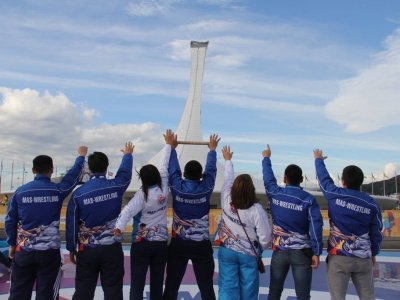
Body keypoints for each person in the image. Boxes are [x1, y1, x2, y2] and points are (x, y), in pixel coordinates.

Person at [5, 146, 87, 300]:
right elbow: (72, 177)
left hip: (24, 251)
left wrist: (11, 244)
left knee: (18, 294)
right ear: (52, 169)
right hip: (49, 254)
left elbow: (10, 220)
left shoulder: (20, 192)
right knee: (47, 294)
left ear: (33, 170)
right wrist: (81, 157)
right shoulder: (57, 190)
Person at [66, 142, 134, 300]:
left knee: (83, 288)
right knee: (113, 289)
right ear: (107, 166)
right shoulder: (116, 186)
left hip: (87, 250)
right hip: (111, 249)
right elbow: (125, 174)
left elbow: (71, 222)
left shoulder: (79, 193)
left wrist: (71, 247)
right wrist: (128, 155)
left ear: (89, 168)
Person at [314, 149, 383, 300]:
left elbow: (324, 180)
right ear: (361, 182)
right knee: (368, 297)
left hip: (339, 257)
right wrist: (373, 253)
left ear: (343, 181)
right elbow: (376, 232)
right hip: (363, 258)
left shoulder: (334, 194)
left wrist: (318, 160)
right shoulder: (372, 204)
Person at [113, 130, 174, 300]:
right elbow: (164, 164)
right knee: (157, 283)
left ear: (142, 179)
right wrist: (168, 144)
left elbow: (126, 212)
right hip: (160, 244)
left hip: (141, 244)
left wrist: (118, 228)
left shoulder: (142, 195)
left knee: (137, 285)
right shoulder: (164, 186)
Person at [163, 134, 220, 300]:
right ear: (201, 176)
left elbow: (173, 170)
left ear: (184, 174)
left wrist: (172, 148)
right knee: (206, 287)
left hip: (178, 245)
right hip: (201, 246)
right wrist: (212, 150)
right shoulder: (206, 187)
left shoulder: (177, 186)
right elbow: (211, 170)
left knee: (172, 285)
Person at [262, 145, 323, 300]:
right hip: (302, 253)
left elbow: (268, 179)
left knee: (274, 292)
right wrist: (316, 252)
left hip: (279, 251)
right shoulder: (308, 199)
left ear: (284, 179)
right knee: (303, 295)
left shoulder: (275, 193)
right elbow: (316, 227)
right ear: (302, 179)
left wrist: (266, 158)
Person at [217, 146, 271, 299]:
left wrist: (228, 160)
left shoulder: (226, 198)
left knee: (227, 288)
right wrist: (259, 250)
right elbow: (265, 238)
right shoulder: (256, 209)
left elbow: (228, 178)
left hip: (227, 250)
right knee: (249, 291)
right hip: (249, 254)